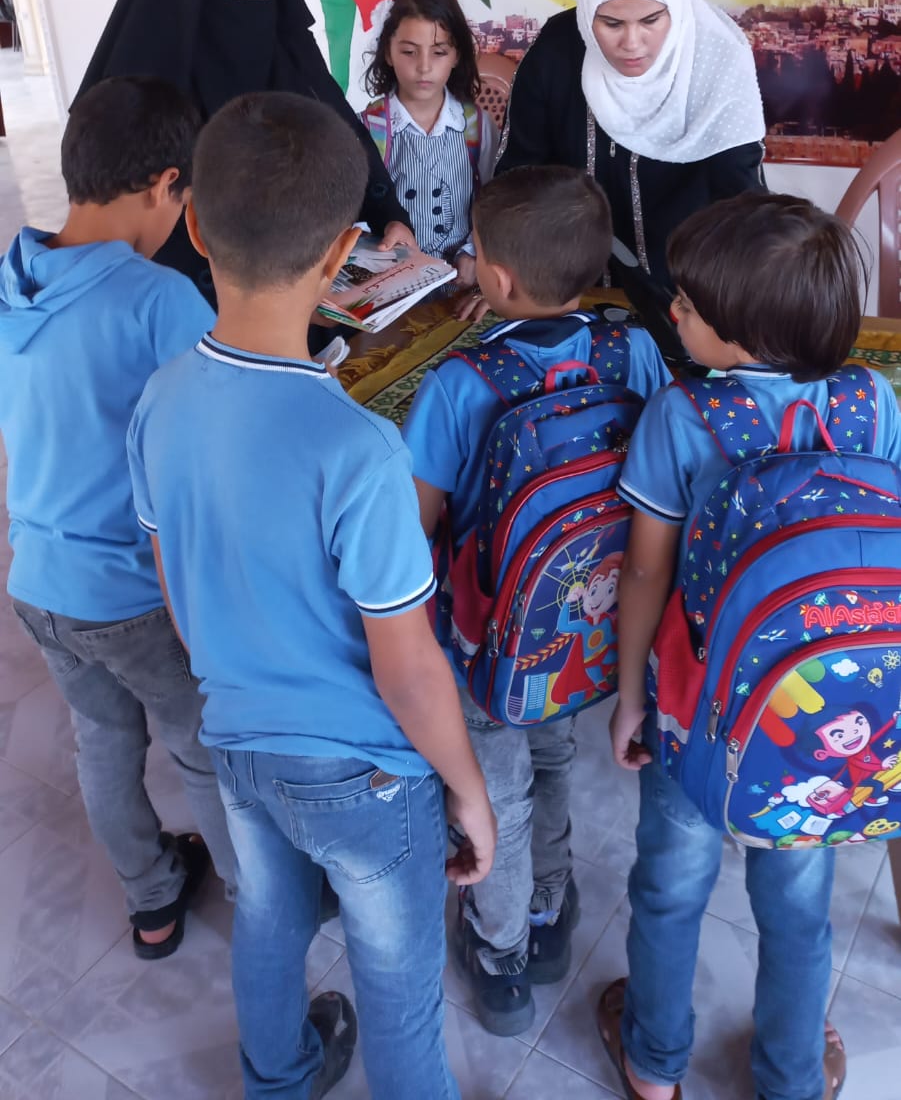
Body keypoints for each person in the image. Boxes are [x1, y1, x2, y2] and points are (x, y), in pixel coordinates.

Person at [127, 92, 497, 1099]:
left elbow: (177, 591)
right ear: (343, 257)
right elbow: (407, 667)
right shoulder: (361, 449)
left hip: (237, 741)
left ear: (194, 225)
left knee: (269, 917)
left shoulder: (159, 398)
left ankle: (277, 1079)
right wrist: (467, 788)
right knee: (398, 990)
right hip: (362, 776)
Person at [599, 192, 901, 1100]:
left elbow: (644, 574)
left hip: (694, 706)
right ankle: (789, 1076)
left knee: (668, 887)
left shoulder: (684, 416)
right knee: (799, 905)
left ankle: (653, 1064)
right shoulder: (872, 400)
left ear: (745, 328)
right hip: (818, 717)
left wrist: (629, 696)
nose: (673, 312)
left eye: (689, 304)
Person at [403, 166, 670, 1037]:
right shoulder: (632, 351)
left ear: (496, 277)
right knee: (552, 757)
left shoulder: (460, 383)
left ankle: (502, 955)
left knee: (497, 793)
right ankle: (550, 907)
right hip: (587, 633)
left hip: (488, 643)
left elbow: (416, 529)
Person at [0, 77, 235, 958]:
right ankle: (255, 892)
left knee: (101, 739)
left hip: (37, 583)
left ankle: (153, 901)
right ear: (167, 186)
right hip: (134, 595)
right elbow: (217, 431)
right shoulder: (158, 299)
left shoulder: (11, 279)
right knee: (197, 746)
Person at [77, 0, 416, 295]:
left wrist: (388, 213)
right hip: (197, 303)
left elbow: (340, 126)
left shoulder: (285, 46)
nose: (262, 6)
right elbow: (146, 231)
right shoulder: (140, 98)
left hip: (306, 283)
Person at [494, 0, 765, 297]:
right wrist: (502, 272)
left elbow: (742, 199)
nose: (632, 43)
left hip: (693, 298)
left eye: (651, 20)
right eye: (612, 24)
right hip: (570, 290)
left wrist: (738, 306)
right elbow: (518, 178)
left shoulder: (718, 58)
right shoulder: (557, 50)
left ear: (675, 5)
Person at [359, 0, 498, 290]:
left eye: (439, 52)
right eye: (409, 52)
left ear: (456, 55)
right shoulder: (367, 128)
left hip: (463, 286)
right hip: (394, 289)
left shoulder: (477, 125)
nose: (423, 67)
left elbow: (495, 201)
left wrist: (473, 252)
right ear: (388, 52)